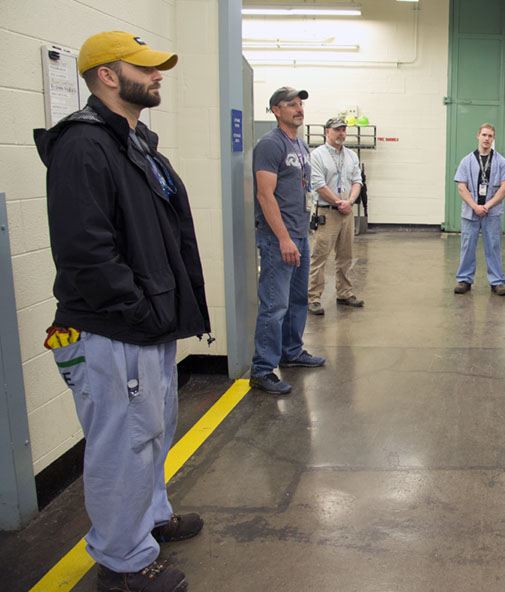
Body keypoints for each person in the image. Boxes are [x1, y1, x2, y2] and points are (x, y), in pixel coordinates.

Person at [35, 30, 210, 592]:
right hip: (116, 327)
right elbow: (84, 249)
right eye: (144, 67)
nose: (158, 75)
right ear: (106, 75)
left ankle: (150, 517)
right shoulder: (83, 145)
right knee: (123, 441)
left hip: (147, 323)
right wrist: (135, 308)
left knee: (152, 431)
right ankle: (123, 560)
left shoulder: (133, 141)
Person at [250, 87, 326, 395]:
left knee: (297, 300)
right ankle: (262, 369)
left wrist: (300, 233)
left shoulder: (300, 143)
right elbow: (264, 195)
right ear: (275, 110)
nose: (298, 108)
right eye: (290, 104)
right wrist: (283, 238)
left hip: (299, 233)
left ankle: (291, 351)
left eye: (300, 103)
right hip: (278, 238)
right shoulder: (270, 144)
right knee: (275, 304)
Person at [307, 118, 364, 315]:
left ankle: (344, 293)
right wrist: (338, 202)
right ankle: (313, 297)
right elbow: (318, 184)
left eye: (343, 130)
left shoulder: (351, 155)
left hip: (346, 212)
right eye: (337, 130)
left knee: (346, 255)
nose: (341, 133)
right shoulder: (317, 156)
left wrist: (350, 201)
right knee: (319, 256)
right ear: (327, 131)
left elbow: (357, 181)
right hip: (326, 213)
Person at [453, 123, 505, 296]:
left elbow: (504, 188)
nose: (487, 138)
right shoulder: (466, 161)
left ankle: (497, 282)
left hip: (492, 213)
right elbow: (461, 187)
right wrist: (475, 206)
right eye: (484, 135)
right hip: (470, 213)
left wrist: (486, 206)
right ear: (478, 136)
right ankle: (464, 280)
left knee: (493, 246)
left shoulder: (501, 161)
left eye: (490, 136)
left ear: (493, 138)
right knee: (467, 246)